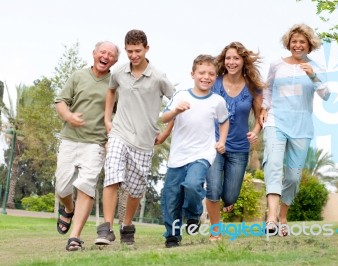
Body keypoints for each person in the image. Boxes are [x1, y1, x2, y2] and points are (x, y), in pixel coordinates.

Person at [94, 29, 175, 246]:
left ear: (147, 49)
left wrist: (166, 131)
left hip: (144, 141)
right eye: (129, 51)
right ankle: (106, 228)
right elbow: (111, 91)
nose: (133, 55)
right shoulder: (119, 72)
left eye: (137, 51)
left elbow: (175, 102)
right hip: (120, 133)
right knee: (112, 174)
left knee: (136, 189)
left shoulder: (158, 77)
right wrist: (107, 119)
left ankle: (126, 225)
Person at [259, 24, 330, 237]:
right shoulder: (276, 65)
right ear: (289, 43)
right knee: (272, 165)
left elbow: (326, 95)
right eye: (294, 41)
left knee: (292, 177)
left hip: (301, 126)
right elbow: (268, 88)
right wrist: (264, 107)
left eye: (302, 42)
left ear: (309, 45)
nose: (297, 45)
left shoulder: (316, 67)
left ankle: (282, 216)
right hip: (276, 121)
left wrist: (313, 76)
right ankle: (271, 218)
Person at [54, 41, 119, 251]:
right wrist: (69, 116)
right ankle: (68, 207)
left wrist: (112, 138)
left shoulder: (115, 84)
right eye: (103, 52)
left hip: (96, 143)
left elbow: (118, 114)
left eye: (110, 54)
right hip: (70, 139)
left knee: (86, 186)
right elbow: (60, 102)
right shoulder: (78, 76)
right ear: (94, 54)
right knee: (61, 187)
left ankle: (75, 237)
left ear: (115, 60)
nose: (106, 56)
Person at [161, 54, 229, 248]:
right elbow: (164, 118)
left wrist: (221, 141)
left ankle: (193, 215)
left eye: (211, 74)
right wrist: (175, 111)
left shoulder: (217, 101)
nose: (206, 77)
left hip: (203, 153)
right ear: (192, 74)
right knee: (172, 197)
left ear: (215, 77)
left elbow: (224, 122)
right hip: (178, 156)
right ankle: (172, 236)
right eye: (202, 72)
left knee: (192, 185)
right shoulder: (181, 95)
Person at [205, 42, 265, 241]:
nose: (231, 62)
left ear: (243, 61)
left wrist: (255, 131)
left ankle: (224, 201)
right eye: (228, 58)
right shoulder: (215, 82)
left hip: (239, 148)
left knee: (230, 196)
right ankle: (216, 230)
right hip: (214, 144)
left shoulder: (253, 87)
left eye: (236, 58)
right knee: (213, 188)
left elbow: (260, 116)